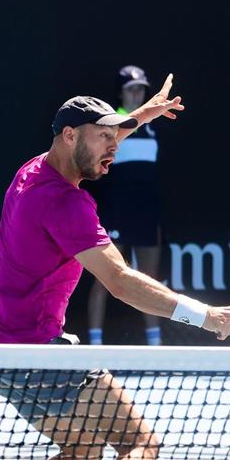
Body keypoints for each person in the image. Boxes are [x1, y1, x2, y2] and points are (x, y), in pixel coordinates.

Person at [0, 75, 230, 460]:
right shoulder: (67, 205)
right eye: (104, 138)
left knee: (83, 449)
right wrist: (203, 316)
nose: (114, 148)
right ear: (71, 136)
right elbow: (121, 282)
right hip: (36, 354)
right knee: (139, 441)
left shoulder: (30, 171)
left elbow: (104, 133)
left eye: (118, 138)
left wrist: (140, 116)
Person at [86, 65, 165, 346]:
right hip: (117, 213)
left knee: (148, 279)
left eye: (140, 89)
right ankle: (95, 347)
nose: (136, 94)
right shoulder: (112, 124)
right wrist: (143, 112)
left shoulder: (152, 129)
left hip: (146, 213)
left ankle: (155, 348)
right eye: (131, 89)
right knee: (106, 279)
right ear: (121, 93)